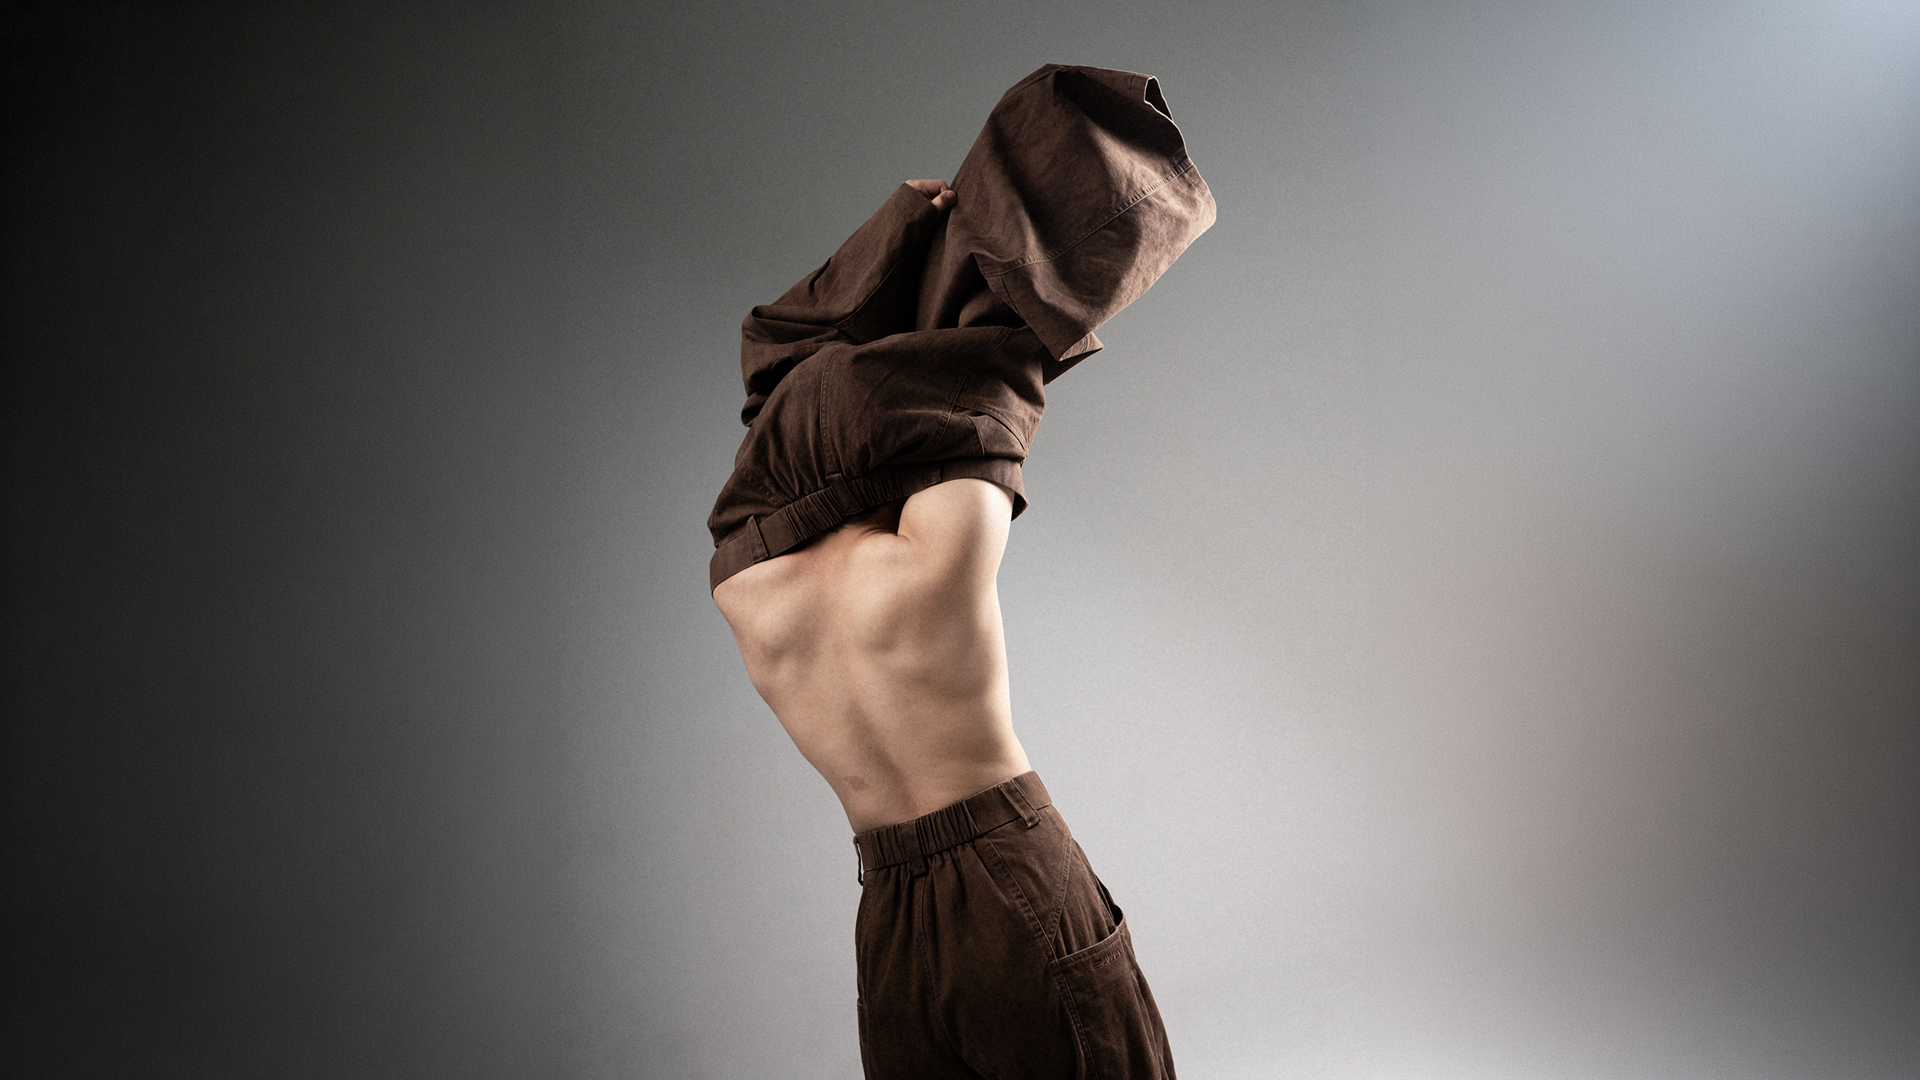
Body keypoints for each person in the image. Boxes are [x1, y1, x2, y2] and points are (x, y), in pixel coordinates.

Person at [708, 66, 1214, 1079]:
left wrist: (892, 239)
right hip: (1012, 878)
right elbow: (985, 381)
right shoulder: (928, 566)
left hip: (889, 921)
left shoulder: (746, 588)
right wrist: (983, 261)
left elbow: (794, 361)